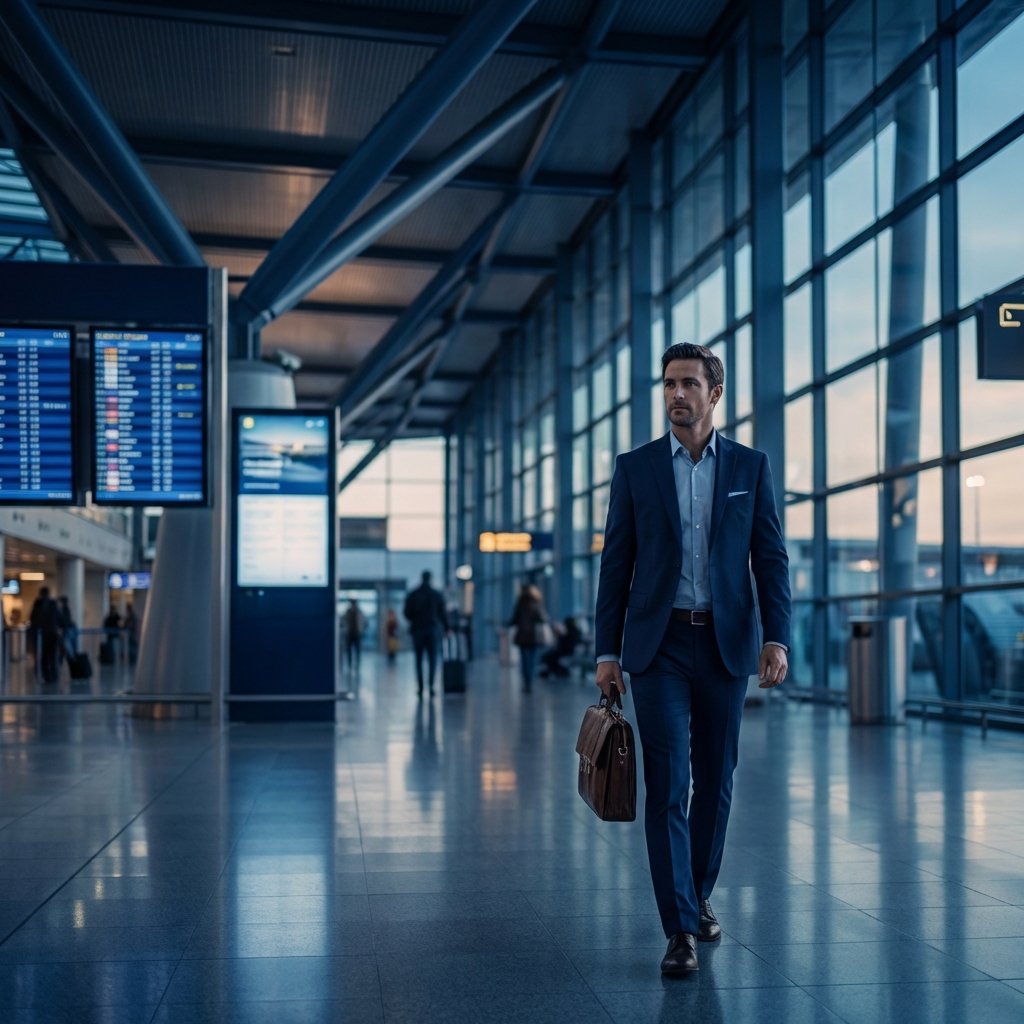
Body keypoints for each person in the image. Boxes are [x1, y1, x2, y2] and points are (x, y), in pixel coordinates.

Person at [594, 342, 791, 977]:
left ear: (715, 394)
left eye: (688, 384)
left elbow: (770, 558)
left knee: (716, 782)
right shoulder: (636, 467)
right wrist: (607, 651)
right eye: (669, 384)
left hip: (727, 642)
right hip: (659, 645)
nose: (676, 394)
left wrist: (776, 636)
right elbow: (615, 566)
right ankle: (679, 926)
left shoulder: (750, 468)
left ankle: (698, 893)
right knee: (669, 786)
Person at [403, 571, 448, 697]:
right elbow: (442, 614)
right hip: (432, 630)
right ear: (431, 579)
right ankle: (432, 687)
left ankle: (420, 688)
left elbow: (407, 613)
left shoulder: (413, 594)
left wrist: (415, 619)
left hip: (417, 630)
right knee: (432, 659)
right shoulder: (436, 595)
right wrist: (447, 628)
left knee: (418, 660)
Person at [509, 584, 548, 692]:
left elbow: (514, 619)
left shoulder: (520, 604)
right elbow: (542, 618)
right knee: (531, 660)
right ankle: (529, 681)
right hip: (533, 636)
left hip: (522, 636)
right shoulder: (536, 603)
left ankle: (526, 681)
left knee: (524, 660)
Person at [29, 586, 61, 684]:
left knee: (49, 656)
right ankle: (48, 676)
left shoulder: (46, 604)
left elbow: (33, 617)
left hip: (48, 635)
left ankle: (51, 676)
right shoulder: (46, 604)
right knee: (47, 657)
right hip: (45, 635)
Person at [342, 599, 366, 672]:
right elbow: (343, 620)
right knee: (349, 650)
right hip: (349, 633)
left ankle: (357, 664)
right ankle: (349, 664)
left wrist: (362, 629)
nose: (353, 605)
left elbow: (364, 621)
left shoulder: (359, 612)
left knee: (357, 650)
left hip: (357, 633)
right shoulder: (348, 612)